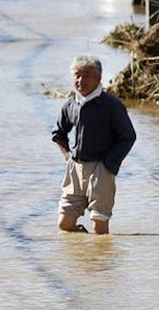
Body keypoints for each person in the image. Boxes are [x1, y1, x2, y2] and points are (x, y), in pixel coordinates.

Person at [51, 55, 137, 235]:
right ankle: (83, 255)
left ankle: (100, 261)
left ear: (98, 78)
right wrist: (67, 156)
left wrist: (109, 164)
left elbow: (128, 137)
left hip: (102, 168)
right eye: (77, 75)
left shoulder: (111, 105)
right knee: (64, 224)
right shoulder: (70, 104)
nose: (80, 80)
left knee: (99, 226)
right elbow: (58, 133)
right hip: (75, 169)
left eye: (86, 75)